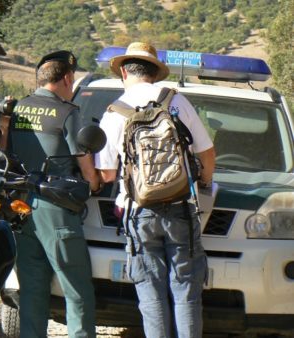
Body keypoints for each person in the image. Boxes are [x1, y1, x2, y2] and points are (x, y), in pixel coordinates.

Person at [95, 42, 215, 338]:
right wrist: (205, 183)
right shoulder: (176, 101)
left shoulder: (115, 111)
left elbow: (108, 173)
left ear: (124, 71)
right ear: (155, 72)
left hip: (139, 212)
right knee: (186, 290)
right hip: (181, 207)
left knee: (151, 294)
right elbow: (208, 153)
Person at [5, 50, 100, 338]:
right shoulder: (68, 112)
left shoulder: (20, 108)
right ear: (67, 78)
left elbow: (7, 152)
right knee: (77, 290)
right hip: (56, 210)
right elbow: (83, 159)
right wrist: (94, 183)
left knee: (33, 291)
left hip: (22, 207)